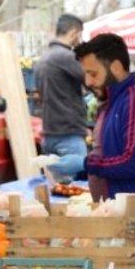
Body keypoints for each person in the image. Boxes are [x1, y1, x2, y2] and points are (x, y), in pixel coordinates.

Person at [75, 33, 135, 213]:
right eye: (86, 74)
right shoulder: (112, 103)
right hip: (116, 216)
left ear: (116, 68)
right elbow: (109, 153)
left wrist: (86, 164)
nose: (88, 82)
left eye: (93, 74)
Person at [34, 13, 89, 181]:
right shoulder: (66, 57)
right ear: (73, 33)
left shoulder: (43, 58)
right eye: (80, 35)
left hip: (49, 133)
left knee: (59, 191)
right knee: (77, 194)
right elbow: (93, 79)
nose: (80, 40)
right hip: (69, 135)